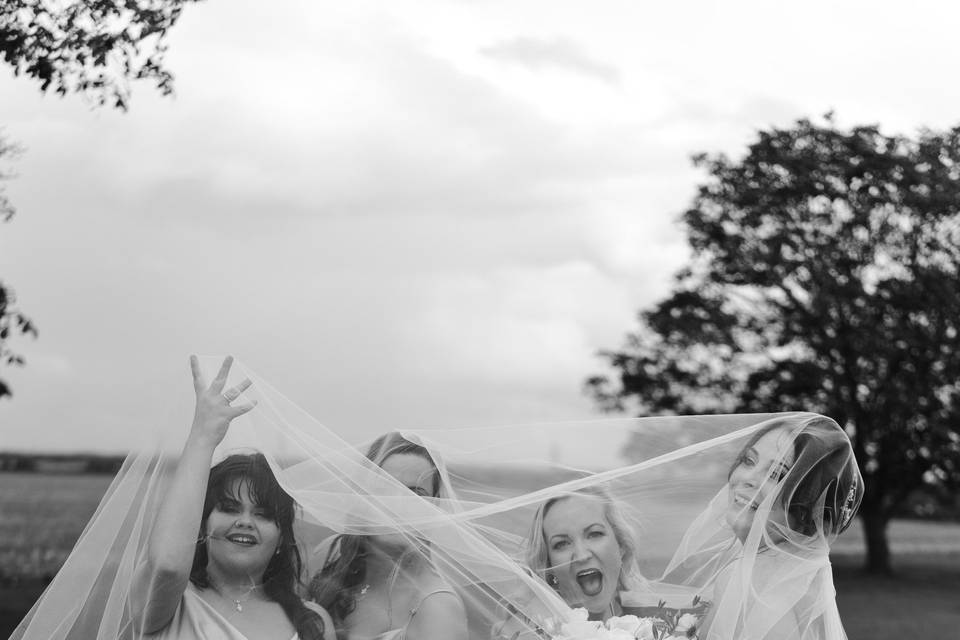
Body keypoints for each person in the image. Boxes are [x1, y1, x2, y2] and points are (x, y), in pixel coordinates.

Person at [129, 356, 335, 640]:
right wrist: (203, 437)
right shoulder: (169, 604)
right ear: (201, 526)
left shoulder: (312, 621)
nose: (245, 522)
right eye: (229, 508)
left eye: (263, 514)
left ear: (281, 540)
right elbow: (167, 565)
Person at [665, 415, 863, 640]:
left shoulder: (754, 588)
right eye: (749, 461)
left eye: (777, 474)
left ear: (809, 505)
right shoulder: (790, 578)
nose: (748, 478)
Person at [307, 432, 468, 640]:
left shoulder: (437, 608)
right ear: (362, 495)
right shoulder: (328, 558)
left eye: (415, 494)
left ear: (434, 505)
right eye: (385, 489)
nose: (397, 505)